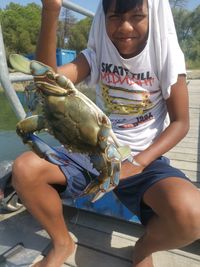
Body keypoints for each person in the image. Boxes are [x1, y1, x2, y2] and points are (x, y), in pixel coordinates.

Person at [12, 0, 200, 266]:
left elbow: (181, 123)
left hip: (142, 160)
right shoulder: (96, 55)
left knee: (193, 214)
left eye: (137, 16)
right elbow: (47, 80)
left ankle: (143, 249)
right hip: (91, 153)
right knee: (24, 169)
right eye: (115, 17)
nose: (125, 27)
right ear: (103, 19)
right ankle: (62, 241)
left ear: (153, 16)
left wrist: (139, 162)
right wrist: (51, 10)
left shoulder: (166, 56)